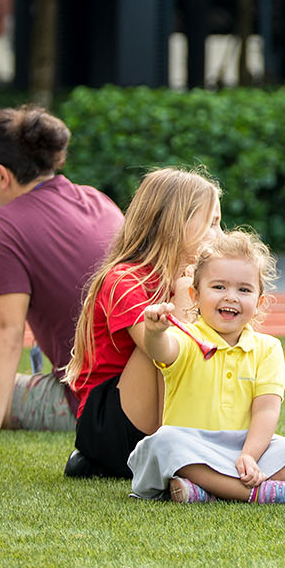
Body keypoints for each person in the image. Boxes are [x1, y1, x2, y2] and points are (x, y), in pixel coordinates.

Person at [0, 106, 124, 438]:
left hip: (92, 400)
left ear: (2, 175)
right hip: (146, 386)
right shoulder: (97, 199)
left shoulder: (6, 224)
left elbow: (7, 328)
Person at [126, 230, 285, 503]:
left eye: (244, 289)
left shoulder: (269, 348)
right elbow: (163, 350)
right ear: (195, 294)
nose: (231, 297)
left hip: (243, 450)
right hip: (193, 447)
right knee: (164, 441)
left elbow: (266, 409)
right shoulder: (185, 339)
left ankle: (206, 491)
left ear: (259, 301)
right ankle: (257, 494)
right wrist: (155, 333)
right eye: (218, 287)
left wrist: (250, 455)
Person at [61, 168, 222, 479]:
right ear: (175, 223)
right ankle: (175, 455)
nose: (220, 234)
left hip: (150, 415)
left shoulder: (199, 281)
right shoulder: (124, 279)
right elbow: (161, 351)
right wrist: (182, 299)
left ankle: (205, 444)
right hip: (109, 422)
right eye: (211, 223)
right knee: (160, 336)